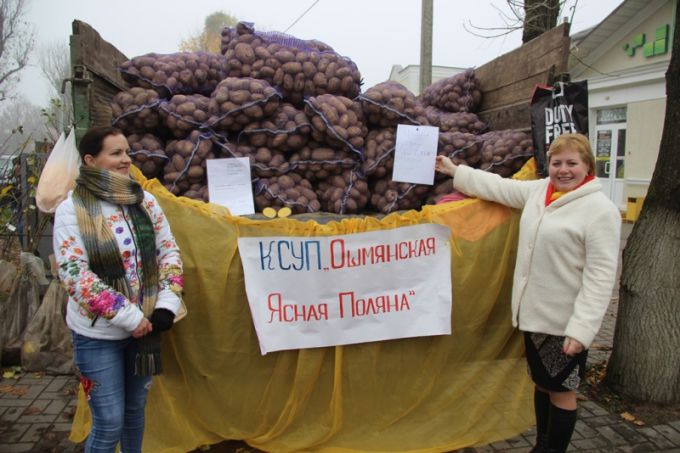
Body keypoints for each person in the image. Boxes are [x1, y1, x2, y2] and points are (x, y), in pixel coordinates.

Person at [435, 133, 620, 453]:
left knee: (562, 392)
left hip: (565, 323)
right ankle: (542, 445)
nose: (563, 170)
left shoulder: (600, 210)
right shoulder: (540, 191)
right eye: (557, 162)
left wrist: (582, 329)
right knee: (542, 383)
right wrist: (455, 171)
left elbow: (601, 276)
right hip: (534, 316)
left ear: (588, 166)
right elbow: (500, 187)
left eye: (572, 163)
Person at [53, 126, 184, 453]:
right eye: (116, 153)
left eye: (126, 152)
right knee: (109, 421)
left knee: (133, 411)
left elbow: (168, 251)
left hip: (145, 330)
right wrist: (129, 316)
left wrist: (166, 304)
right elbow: (74, 274)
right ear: (90, 160)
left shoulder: (145, 202)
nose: (126, 159)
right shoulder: (72, 209)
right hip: (97, 337)